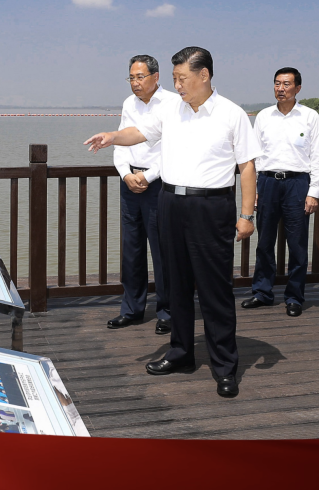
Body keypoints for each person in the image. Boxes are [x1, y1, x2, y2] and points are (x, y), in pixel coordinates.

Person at [85, 46, 259, 398]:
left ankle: (225, 365)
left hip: (211, 206)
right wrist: (112, 137)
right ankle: (180, 352)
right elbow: (139, 133)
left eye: (182, 78)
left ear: (204, 75)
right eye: (175, 79)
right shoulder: (170, 111)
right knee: (176, 283)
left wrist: (246, 215)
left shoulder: (232, 114)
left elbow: (247, 166)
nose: (177, 86)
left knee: (214, 289)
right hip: (170, 203)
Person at [243, 67, 319, 317]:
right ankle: (262, 292)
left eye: (286, 84)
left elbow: (317, 158)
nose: (281, 88)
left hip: (297, 184)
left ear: (297, 88)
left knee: (297, 244)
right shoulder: (264, 116)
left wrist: (314, 192)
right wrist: (254, 190)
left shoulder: (310, 116)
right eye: (277, 83)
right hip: (267, 182)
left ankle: (294, 297)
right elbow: (254, 156)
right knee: (264, 241)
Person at [108, 54, 178, 333]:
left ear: (156, 77)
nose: (135, 83)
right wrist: (126, 174)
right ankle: (132, 309)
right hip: (130, 183)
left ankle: (167, 312)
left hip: (158, 183)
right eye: (131, 78)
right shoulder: (129, 103)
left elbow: (173, 148)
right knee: (131, 249)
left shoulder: (173, 103)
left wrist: (147, 177)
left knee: (162, 251)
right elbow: (121, 142)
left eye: (140, 77)